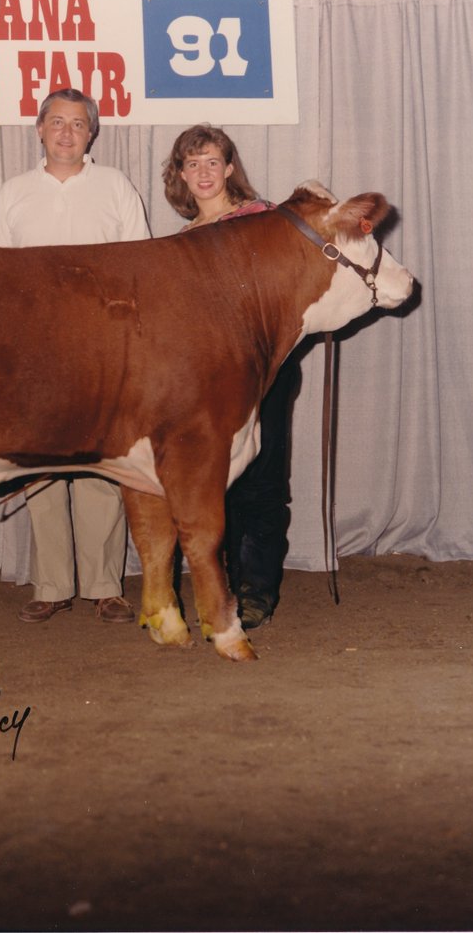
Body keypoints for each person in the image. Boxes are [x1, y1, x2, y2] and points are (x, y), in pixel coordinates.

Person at [0, 88, 151, 626]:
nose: (66, 133)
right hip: (35, 353)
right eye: (56, 122)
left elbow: (139, 269)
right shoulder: (13, 192)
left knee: (102, 465)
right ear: (39, 129)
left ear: (91, 133)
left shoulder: (115, 186)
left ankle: (105, 585)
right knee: (43, 467)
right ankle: (52, 584)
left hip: (103, 351)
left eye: (77, 124)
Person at [162, 123, 294, 629]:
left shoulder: (263, 220)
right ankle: (225, 586)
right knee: (217, 482)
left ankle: (257, 590)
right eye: (192, 164)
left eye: (212, 162)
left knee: (261, 478)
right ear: (180, 173)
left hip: (263, 370)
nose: (203, 173)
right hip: (207, 380)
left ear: (230, 168)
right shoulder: (181, 241)